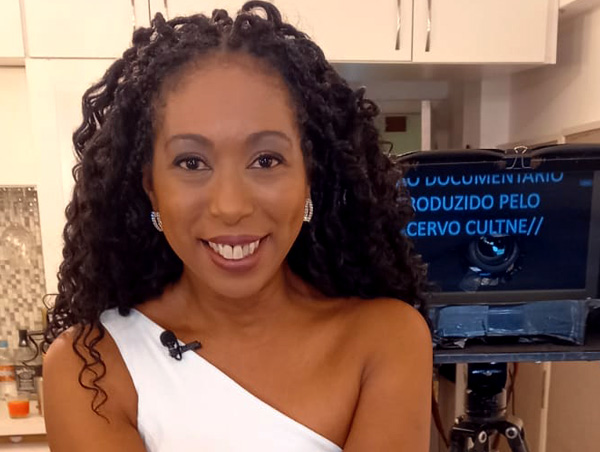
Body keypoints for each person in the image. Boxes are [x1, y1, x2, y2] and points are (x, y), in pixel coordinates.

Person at [42, 1, 432, 450]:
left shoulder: (387, 338)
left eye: (266, 160)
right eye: (192, 162)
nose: (230, 206)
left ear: (310, 177)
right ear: (150, 187)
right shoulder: (90, 368)